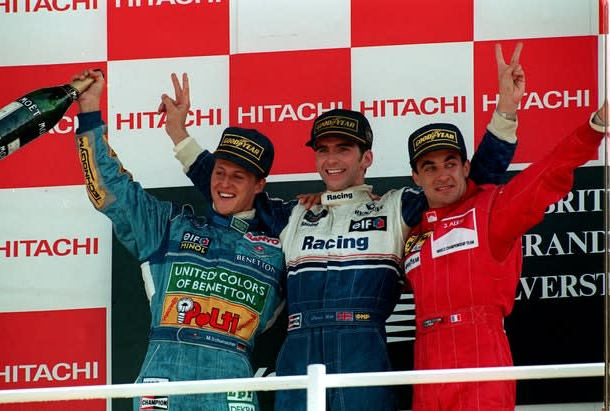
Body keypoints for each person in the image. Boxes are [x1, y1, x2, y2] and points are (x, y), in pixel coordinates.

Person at [166, 42, 521, 411]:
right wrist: (180, 136)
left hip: (363, 348)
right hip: (298, 347)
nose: (332, 159)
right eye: (323, 150)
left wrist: (505, 114)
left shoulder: (397, 207)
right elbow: (230, 187)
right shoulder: (292, 214)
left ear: (366, 157)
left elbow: (466, 187)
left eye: (344, 149)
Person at [403, 45, 607, 410]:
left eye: (450, 163)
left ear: (466, 167)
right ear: (416, 177)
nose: (441, 175)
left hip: (480, 350)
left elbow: (547, 174)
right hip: (425, 358)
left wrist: (595, 127)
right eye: (429, 167)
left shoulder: (492, 209)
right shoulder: (409, 226)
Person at [72, 69, 286, 411]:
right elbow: (108, 188)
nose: (224, 184)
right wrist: (89, 109)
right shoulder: (168, 227)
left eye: (238, 176)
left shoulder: (282, 242)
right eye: (218, 172)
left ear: (259, 185)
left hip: (232, 389)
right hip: (163, 380)